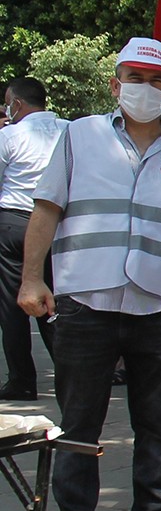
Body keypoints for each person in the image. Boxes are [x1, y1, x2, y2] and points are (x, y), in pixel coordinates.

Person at [23, 38, 161, 511]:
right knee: (79, 420)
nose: (146, 89)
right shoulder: (78, 136)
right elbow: (46, 209)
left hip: (157, 305)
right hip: (86, 299)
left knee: (155, 423)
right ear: (115, 84)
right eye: (135, 77)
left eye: (157, 80)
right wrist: (31, 280)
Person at [0, 77, 64, 399]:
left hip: (15, 221)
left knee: (13, 305)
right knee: (58, 301)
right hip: (60, 224)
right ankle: (70, 371)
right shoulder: (70, 131)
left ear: (17, 103)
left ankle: (22, 380)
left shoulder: (9, 136)